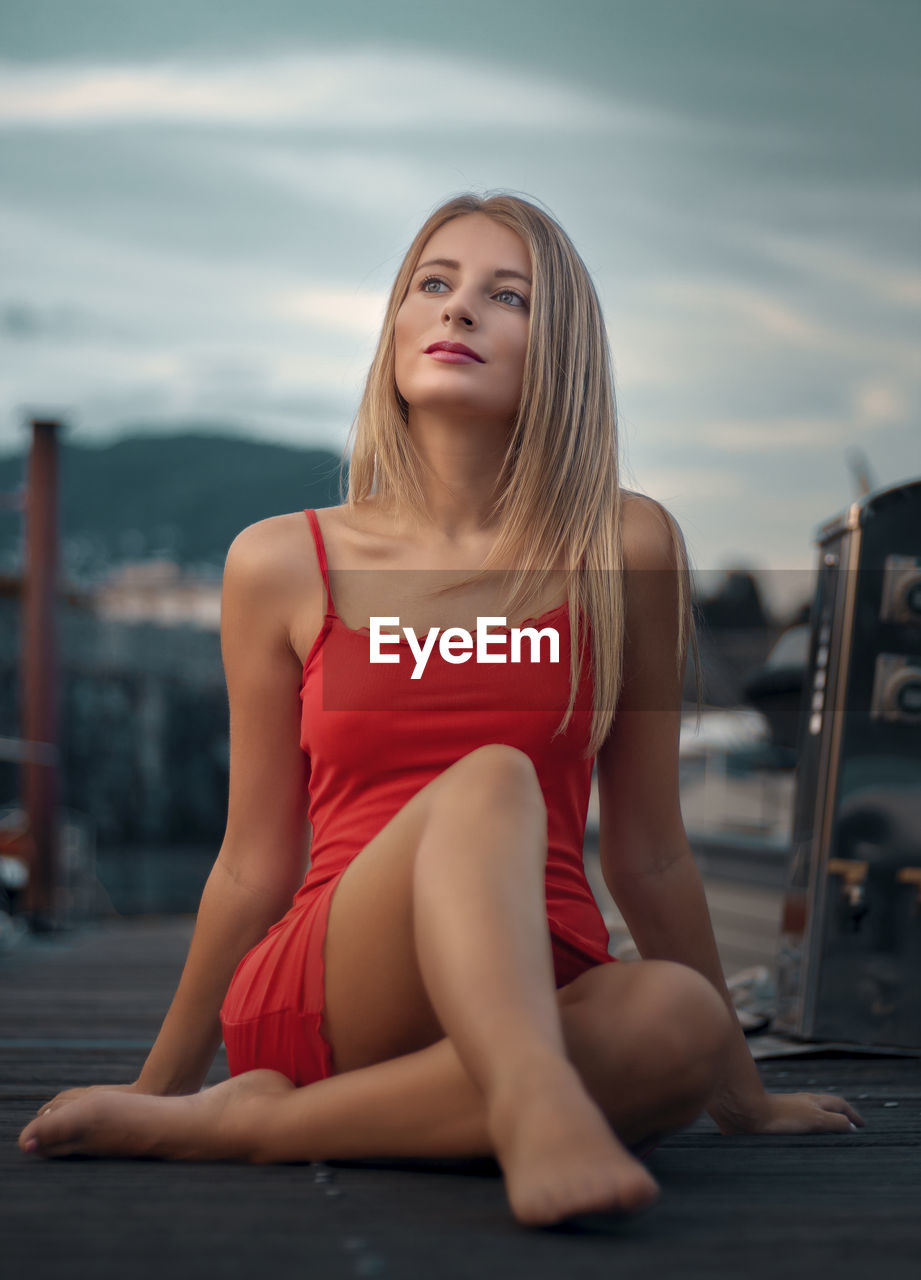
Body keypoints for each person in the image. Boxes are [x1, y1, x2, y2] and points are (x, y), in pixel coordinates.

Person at [17, 192, 864, 1228]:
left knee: (686, 1018)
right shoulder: (283, 560)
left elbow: (648, 850)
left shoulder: (628, 547)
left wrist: (742, 1095)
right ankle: (536, 1101)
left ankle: (257, 1124)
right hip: (341, 974)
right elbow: (252, 859)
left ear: (561, 356)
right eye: (435, 282)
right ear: (398, 327)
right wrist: (156, 1078)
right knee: (493, 776)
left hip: (549, 967)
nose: (460, 310)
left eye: (506, 297)